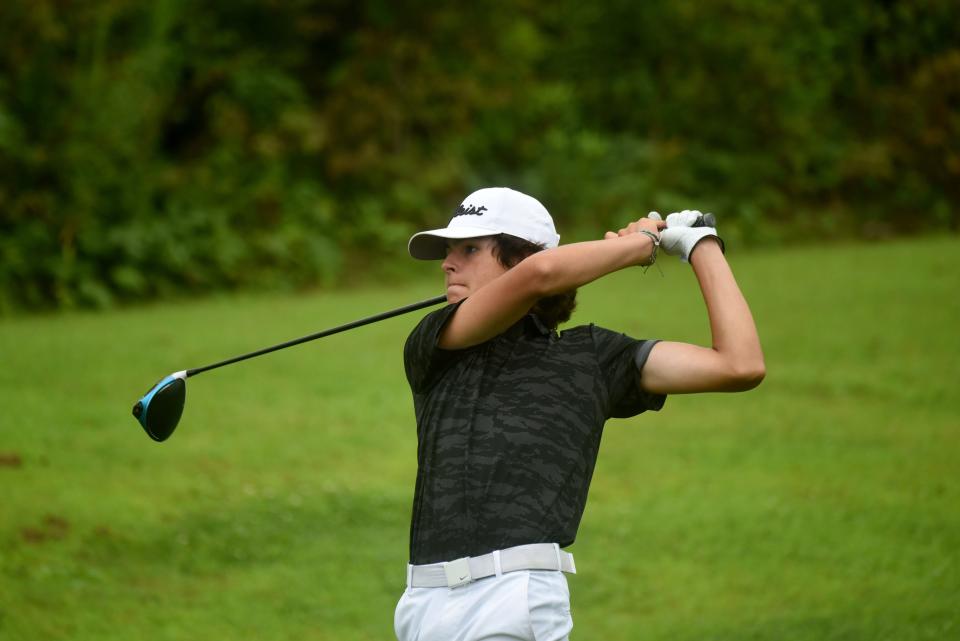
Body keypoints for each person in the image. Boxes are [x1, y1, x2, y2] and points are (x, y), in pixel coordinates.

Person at [395, 187, 764, 641]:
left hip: (513, 600)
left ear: (518, 256)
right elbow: (542, 273)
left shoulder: (593, 356)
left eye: (470, 249)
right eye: (448, 252)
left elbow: (739, 365)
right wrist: (640, 244)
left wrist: (699, 245)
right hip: (422, 606)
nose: (449, 263)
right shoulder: (436, 342)